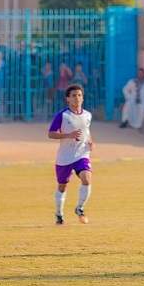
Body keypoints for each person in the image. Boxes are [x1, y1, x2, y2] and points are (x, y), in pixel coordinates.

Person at [48, 84, 94, 225]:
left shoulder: (87, 115)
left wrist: (90, 141)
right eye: (73, 95)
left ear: (83, 98)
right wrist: (68, 135)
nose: (77, 98)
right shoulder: (63, 115)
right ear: (67, 99)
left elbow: (86, 131)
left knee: (87, 179)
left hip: (82, 153)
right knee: (62, 186)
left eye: (79, 95)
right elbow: (51, 134)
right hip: (65, 157)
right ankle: (59, 214)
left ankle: (80, 208)